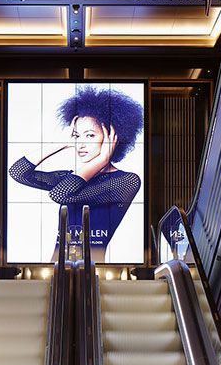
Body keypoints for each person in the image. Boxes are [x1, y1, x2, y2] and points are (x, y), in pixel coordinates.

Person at [9, 86, 143, 262]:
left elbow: (60, 194)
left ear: (113, 136)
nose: (80, 144)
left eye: (89, 136)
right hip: (55, 269)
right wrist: (59, 144)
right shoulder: (71, 178)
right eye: (77, 136)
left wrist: (103, 158)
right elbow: (17, 172)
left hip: (94, 270)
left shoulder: (126, 181)